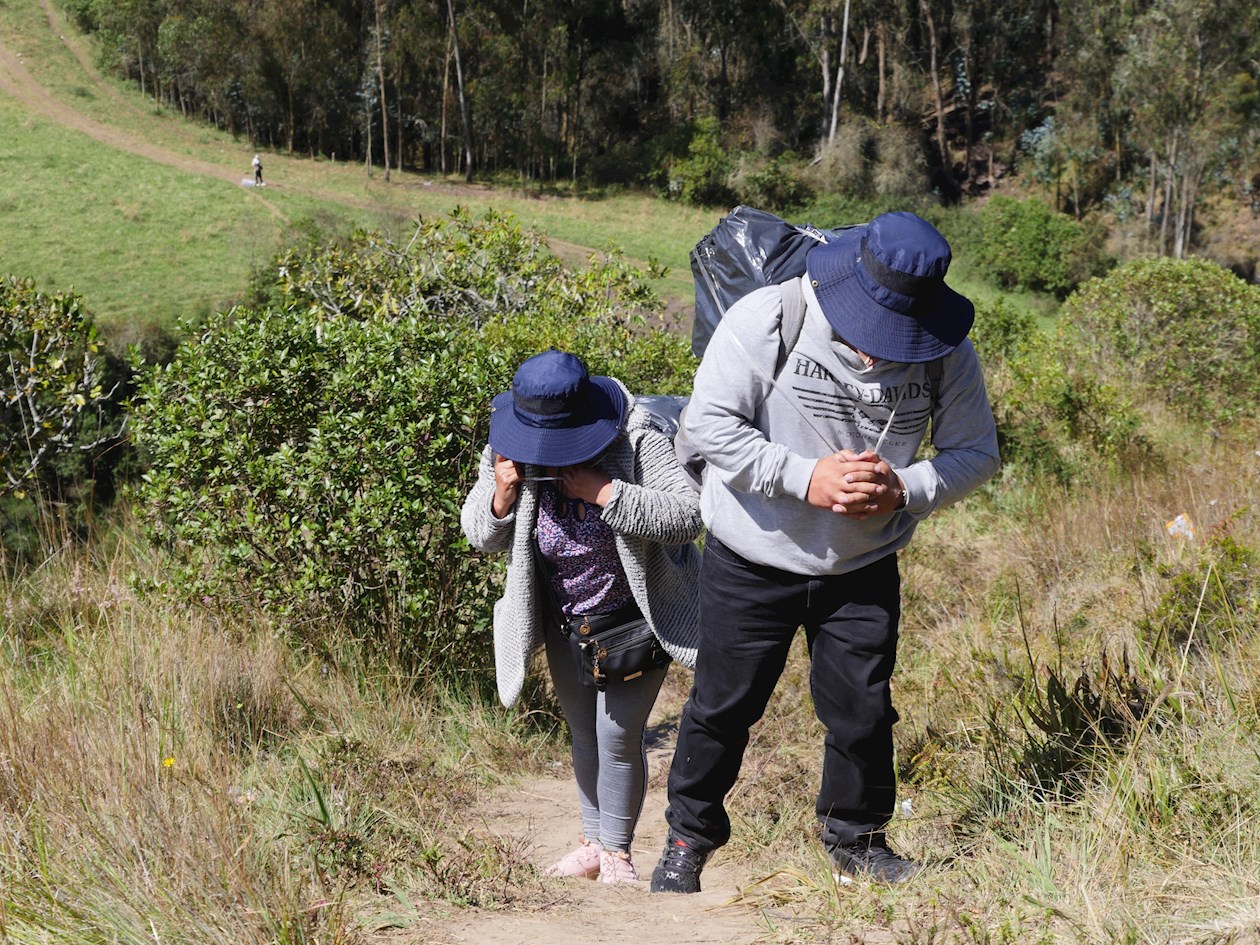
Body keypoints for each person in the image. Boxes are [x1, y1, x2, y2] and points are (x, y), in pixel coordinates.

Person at [649, 211, 1000, 893]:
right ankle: (689, 835)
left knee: (862, 710)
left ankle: (857, 840)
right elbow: (706, 423)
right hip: (751, 555)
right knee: (722, 705)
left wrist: (905, 487)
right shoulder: (767, 319)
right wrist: (806, 476)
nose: (877, 352)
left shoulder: (945, 348)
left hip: (862, 564)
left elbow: (976, 452)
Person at [461, 348, 702, 883]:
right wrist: (501, 497)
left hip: (633, 617)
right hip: (564, 618)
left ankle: (618, 853)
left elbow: (688, 514)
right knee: (583, 732)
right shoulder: (509, 444)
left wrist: (605, 492)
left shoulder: (636, 437)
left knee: (618, 736)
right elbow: (479, 532)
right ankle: (592, 843)